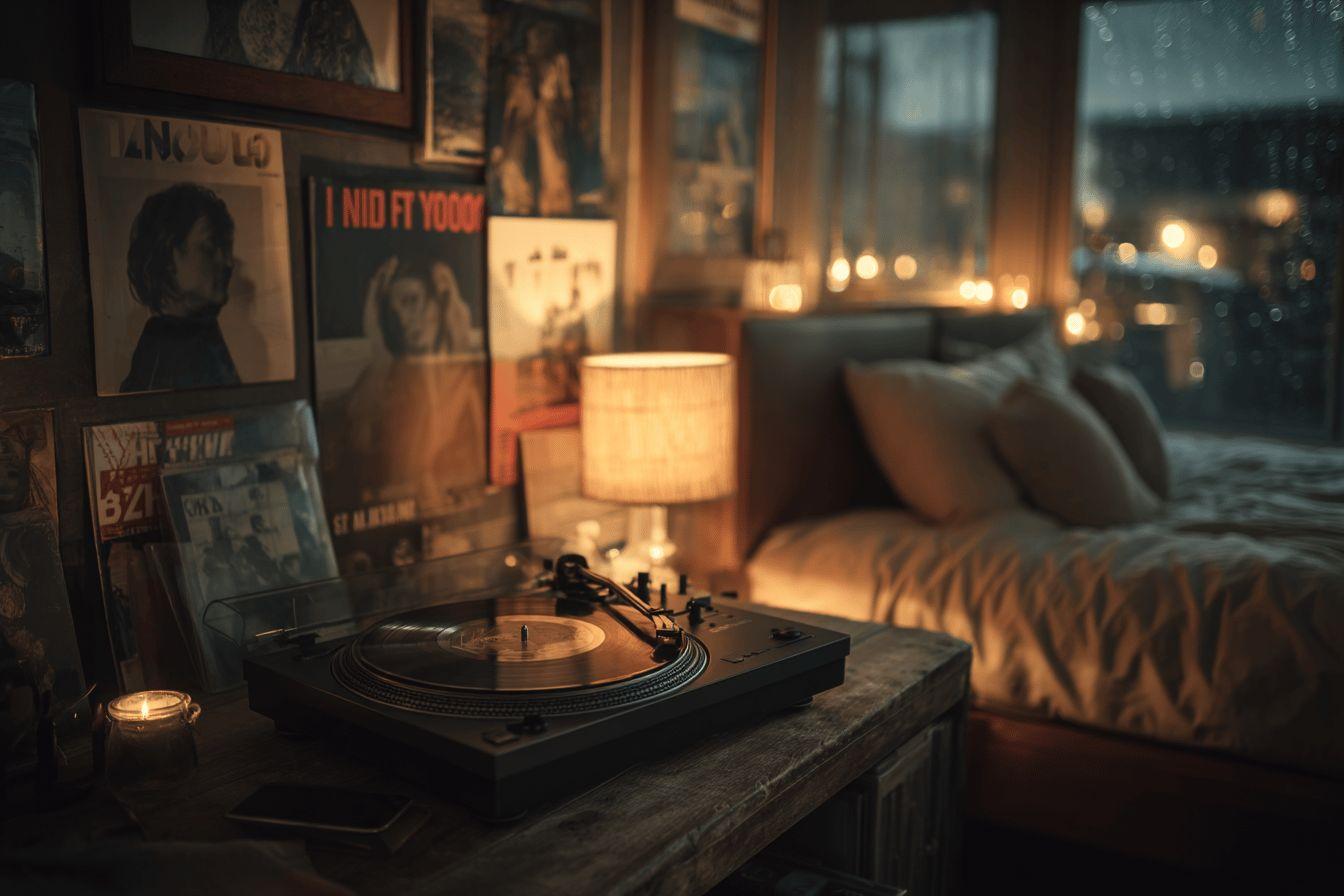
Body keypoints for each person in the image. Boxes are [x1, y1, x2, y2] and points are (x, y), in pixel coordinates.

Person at [326, 254, 486, 514]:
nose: (403, 319)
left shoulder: (469, 377)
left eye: (411, 302)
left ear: (438, 302)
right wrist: (379, 352)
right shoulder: (384, 378)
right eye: (394, 311)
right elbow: (359, 457)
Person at [121, 183, 239, 393]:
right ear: (167, 257)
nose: (227, 262)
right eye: (210, 245)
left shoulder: (202, 334)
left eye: (225, 246)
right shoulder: (164, 348)